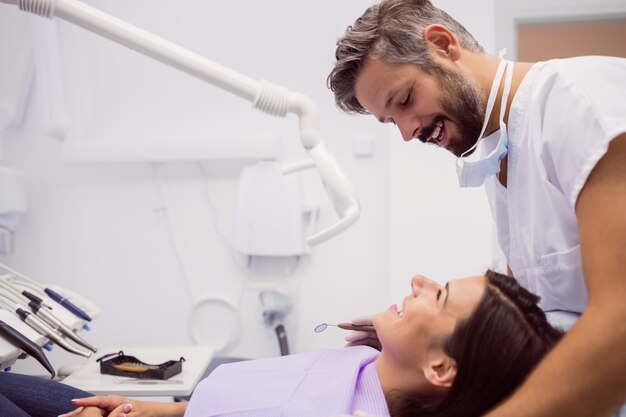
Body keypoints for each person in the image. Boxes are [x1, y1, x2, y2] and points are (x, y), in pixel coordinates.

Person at [327, 1, 626, 416]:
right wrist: (417, 341)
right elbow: (533, 311)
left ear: (442, 44)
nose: (408, 132)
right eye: (390, 120)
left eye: (405, 99)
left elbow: (620, 326)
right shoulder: (503, 152)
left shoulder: (579, 104)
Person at [3, 270, 560, 417]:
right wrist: (155, 410)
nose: (418, 280)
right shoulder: (367, 364)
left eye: (437, 297)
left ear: (442, 369)